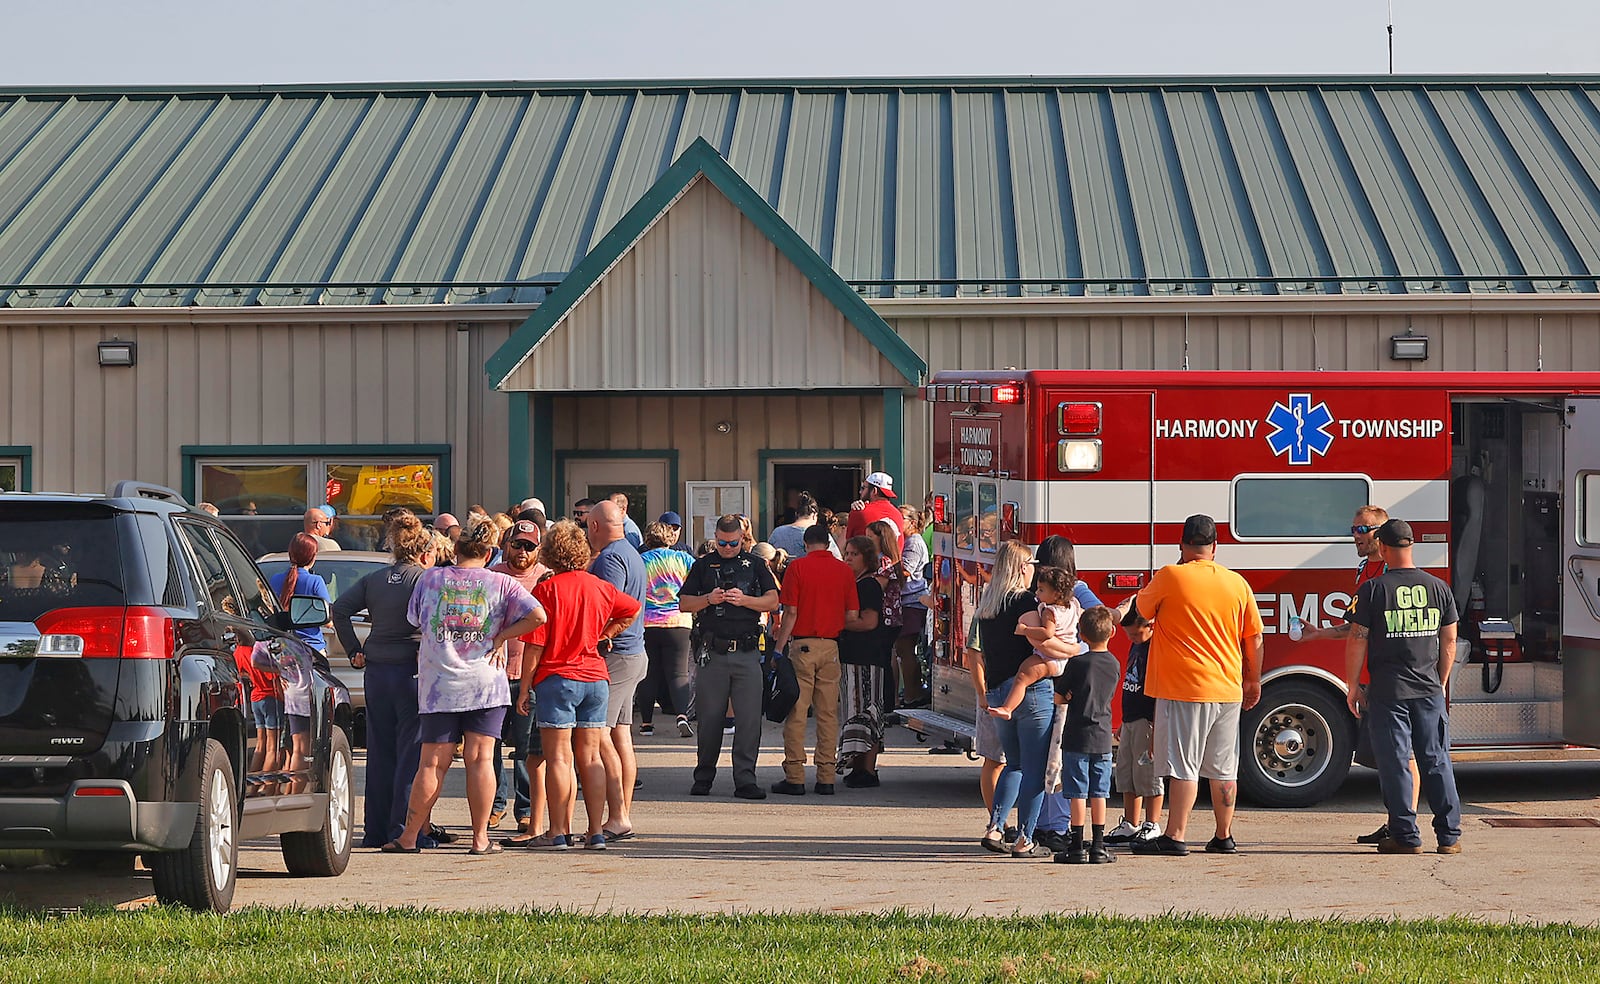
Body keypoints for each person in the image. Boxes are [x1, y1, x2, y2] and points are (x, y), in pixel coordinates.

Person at [385, 523, 546, 855]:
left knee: (431, 762)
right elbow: (538, 616)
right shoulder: (501, 582)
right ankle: (480, 838)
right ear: (489, 554)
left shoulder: (430, 579)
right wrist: (501, 636)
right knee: (481, 759)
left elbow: (415, 619)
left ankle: (410, 836)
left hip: (439, 684)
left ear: (455, 550)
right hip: (486, 682)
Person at [1130, 514, 1263, 858]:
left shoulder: (1171, 575)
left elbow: (1142, 610)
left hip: (1184, 687)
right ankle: (1223, 835)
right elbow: (1254, 636)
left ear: (1182, 545)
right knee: (1223, 768)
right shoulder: (1237, 583)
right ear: (1216, 547)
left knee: (1183, 765)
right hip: (1228, 687)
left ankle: (1175, 835)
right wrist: (1252, 678)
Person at [1299, 503, 1423, 845]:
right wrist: (1319, 633)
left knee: (1405, 754)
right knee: (1388, 756)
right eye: (1353, 529)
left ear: (1380, 535)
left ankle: (1405, 824)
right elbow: (1357, 627)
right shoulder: (1366, 571)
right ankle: (1395, 820)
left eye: (1362, 530)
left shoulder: (1388, 574)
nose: (1355, 536)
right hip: (1376, 676)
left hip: (1395, 679)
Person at [515, 520, 643, 849]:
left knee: (559, 759)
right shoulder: (599, 586)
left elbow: (535, 645)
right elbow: (632, 609)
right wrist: (607, 634)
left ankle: (559, 831)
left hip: (558, 677)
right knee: (591, 758)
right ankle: (596, 832)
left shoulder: (547, 589)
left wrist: (525, 685)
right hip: (596, 677)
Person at [1344, 518, 1463, 856]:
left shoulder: (1374, 589)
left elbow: (1357, 638)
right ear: (1411, 546)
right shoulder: (1438, 587)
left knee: (1396, 761)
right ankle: (1449, 836)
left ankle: (1405, 836)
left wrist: (1353, 686)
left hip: (1388, 692)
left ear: (1382, 548)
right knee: (1436, 759)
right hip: (1428, 691)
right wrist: (1439, 681)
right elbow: (1450, 639)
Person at [333, 513, 435, 848]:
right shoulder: (426, 581)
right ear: (422, 547)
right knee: (411, 753)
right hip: (412, 670)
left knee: (378, 750)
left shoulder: (374, 579)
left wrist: (353, 649)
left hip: (377, 671)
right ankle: (401, 828)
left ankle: (374, 829)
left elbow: (340, 609)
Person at [678, 514, 781, 799]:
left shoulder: (756, 564)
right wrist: (709, 599)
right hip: (714, 652)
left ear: (742, 538)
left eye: (732, 543)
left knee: (749, 720)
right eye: (721, 543)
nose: (726, 548)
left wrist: (744, 600)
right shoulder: (702, 565)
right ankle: (704, 776)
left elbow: (773, 601)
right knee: (709, 719)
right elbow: (684, 603)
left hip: (747, 651)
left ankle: (745, 779)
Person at [970, 541, 1059, 858]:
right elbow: (1046, 642)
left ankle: (995, 827)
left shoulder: (988, 605)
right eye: (1032, 565)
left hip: (997, 690)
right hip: (1032, 693)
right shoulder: (1027, 603)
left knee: (1013, 763)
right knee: (1034, 769)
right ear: (1023, 567)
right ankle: (1024, 840)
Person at [770, 523, 859, 795]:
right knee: (828, 714)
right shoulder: (844, 571)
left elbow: (791, 613)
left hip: (803, 646)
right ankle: (826, 777)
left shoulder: (797, 569)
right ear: (828, 542)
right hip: (831, 648)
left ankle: (795, 775)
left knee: (798, 712)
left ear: (806, 544)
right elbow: (852, 616)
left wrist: (778, 648)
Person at [586, 501, 649, 838]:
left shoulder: (611, 558)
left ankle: (619, 816)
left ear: (595, 526)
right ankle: (622, 813)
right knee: (621, 733)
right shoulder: (631, 552)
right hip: (633, 653)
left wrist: (601, 635)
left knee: (599, 734)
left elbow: (608, 607)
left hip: (618, 655)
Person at [487, 517, 549, 833]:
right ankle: (495, 804)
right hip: (495, 672)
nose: (522, 552)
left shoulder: (544, 579)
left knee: (525, 748)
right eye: (517, 545)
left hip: (530, 676)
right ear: (506, 545)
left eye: (529, 546)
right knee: (491, 742)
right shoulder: (492, 575)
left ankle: (524, 809)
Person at [1050, 605, 1122, 865]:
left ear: (1081, 634)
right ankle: (1099, 846)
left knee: (1077, 791)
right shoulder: (1114, 664)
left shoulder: (1077, 663)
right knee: (1099, 792)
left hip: (1076, 735)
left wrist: (1070, 695)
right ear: (1112, 632)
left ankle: (1077, 845)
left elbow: (1059, 697)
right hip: (1102, 735)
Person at [986, 565, 1082, 720]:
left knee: (1022, 676)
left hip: (1049, 659)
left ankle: (1008, 707)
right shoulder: (1073, 606)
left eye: (1041, 590)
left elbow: (1046, 633)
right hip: (1064, 659)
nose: (1036, 593)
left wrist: (1025, 630)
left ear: (1056, 594)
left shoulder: (1049, 611)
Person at [1104, 604, 1164, 847]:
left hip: (1147, 719)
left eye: (1136, 634)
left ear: (1151, 626)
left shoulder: (1156, 650)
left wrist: (1155, 727)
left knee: (1148, 774)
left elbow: (1159, 691)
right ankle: (1131, 823)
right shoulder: (1137, 645)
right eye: (1128, 634)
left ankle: (1153, 823)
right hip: (1130, 718)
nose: (1132, 638)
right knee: (1126, 773)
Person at [837, 535, 895, 788]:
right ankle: (858, 766)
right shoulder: (854, 582)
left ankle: (868, 769)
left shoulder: (868, 585)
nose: (848, 558)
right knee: (855, 711)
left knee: (868, 712)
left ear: (867, 558)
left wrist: (838, 623)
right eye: (846, 553)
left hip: (867, 658)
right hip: (852, 657)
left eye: (854, 554)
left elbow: (869, 622)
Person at [638, 521, 698, 738]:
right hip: (678, 621)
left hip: (648, 622)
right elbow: (698, 580)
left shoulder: (641, 560)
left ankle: (646, 723)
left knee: (649, 673)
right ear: (670, 538)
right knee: (678, 673)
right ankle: (682, 715)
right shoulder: (683, 559)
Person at [893, 506, 931, 707]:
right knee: (902, 649)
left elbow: (906, 571)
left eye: (901, 519)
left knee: (906, 648)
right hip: (906, 601)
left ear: (913, 522)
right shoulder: (906, 541)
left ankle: (912, 693)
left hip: (913, 601)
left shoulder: (914, 542)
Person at [769, 491, 840, 560]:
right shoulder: (821, 535)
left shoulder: (777, 533)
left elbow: (767, 557)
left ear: (796, 514)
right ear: (814, 515)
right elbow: (838, 560)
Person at [846, 471, 903, 540]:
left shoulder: (859, 512)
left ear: (874, 491)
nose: (860, 492)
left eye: (863, 488)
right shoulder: (898, 514)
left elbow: (848, 543)